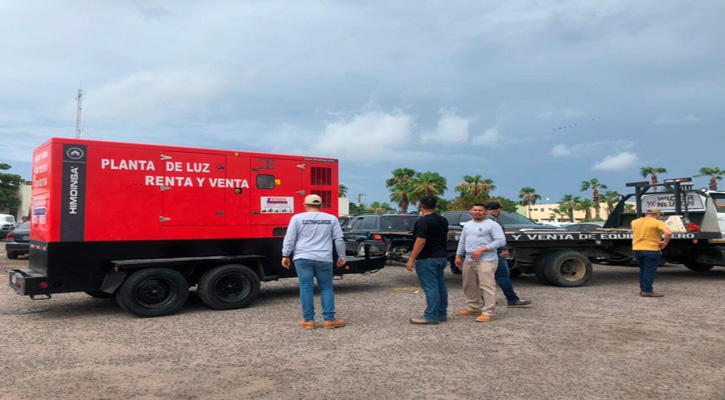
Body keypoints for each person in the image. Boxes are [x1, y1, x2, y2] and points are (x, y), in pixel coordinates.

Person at [282, 194, 347, 330]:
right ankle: (329, 320)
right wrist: (341, 256)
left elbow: (290, 239)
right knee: (326, 288)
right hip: (324, 258)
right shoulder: (331, 219)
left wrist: (285, 255)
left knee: (306, 288)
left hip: (302, 257)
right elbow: (339, 239)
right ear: (321, 205)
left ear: (305, 205)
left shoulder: (297, 218)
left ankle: (309, 320)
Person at [455, 203, 506, 322]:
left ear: (486, 212)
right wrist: (458, 255)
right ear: (471, 211)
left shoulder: (492, 225)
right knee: (469, 285)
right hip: (469, 259)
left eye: (480, 210)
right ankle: (474, 307)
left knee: (486, 286)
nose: (477, 212)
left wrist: (482, 249)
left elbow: (501, 241)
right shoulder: (468, 225)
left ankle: (489, 312)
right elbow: (462, 241)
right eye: (475, 210)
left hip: (487, 259)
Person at [406, 195, 450, 325]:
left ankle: (430, 315)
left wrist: (411, 259)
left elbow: (420, 241)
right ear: (436, 206)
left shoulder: (423, 221)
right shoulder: (443, 220)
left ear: (420, 206)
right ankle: (442, 312)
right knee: (440, 285)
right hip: (441, 256)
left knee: (430, 287)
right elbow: (447, 236)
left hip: (427, 258)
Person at [484, 202, 532, 308]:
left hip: (483, 252)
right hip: (496, 251)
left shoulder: (481, 221)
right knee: (503, 275)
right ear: (498, 210)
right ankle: (512, 299)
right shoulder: (495, 221)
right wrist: (504, 249)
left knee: (485, 277)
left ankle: (487, 299)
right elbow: (500, 238)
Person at [631, 206, 672, 297]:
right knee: (649, 270)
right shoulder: (657, 222)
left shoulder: (634, 222)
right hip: (651, 249)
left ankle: (643, 288)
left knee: (643, 269)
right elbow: (668, 233)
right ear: (657, 214)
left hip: (637, 249)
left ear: (647, 213)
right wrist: (665, 242)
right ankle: (647, 290)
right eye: (659, 215)